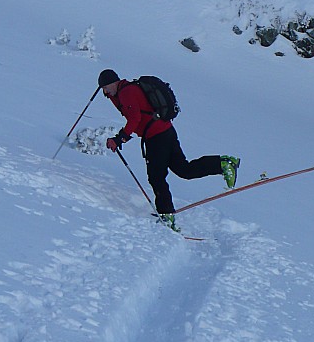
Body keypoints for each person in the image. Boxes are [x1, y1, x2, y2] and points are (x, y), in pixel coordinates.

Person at [98, 69, 240, 231]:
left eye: (106, 88)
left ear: (112, 83)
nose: (105, 92)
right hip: (165, 131)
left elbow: (134, 119)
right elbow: (137, 117)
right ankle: (223, 164)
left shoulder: (126, 93)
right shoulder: (126, 90)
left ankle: (166, 215)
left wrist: (119, 138)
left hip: (156, 138)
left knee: (156, 177)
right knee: (184, 169)